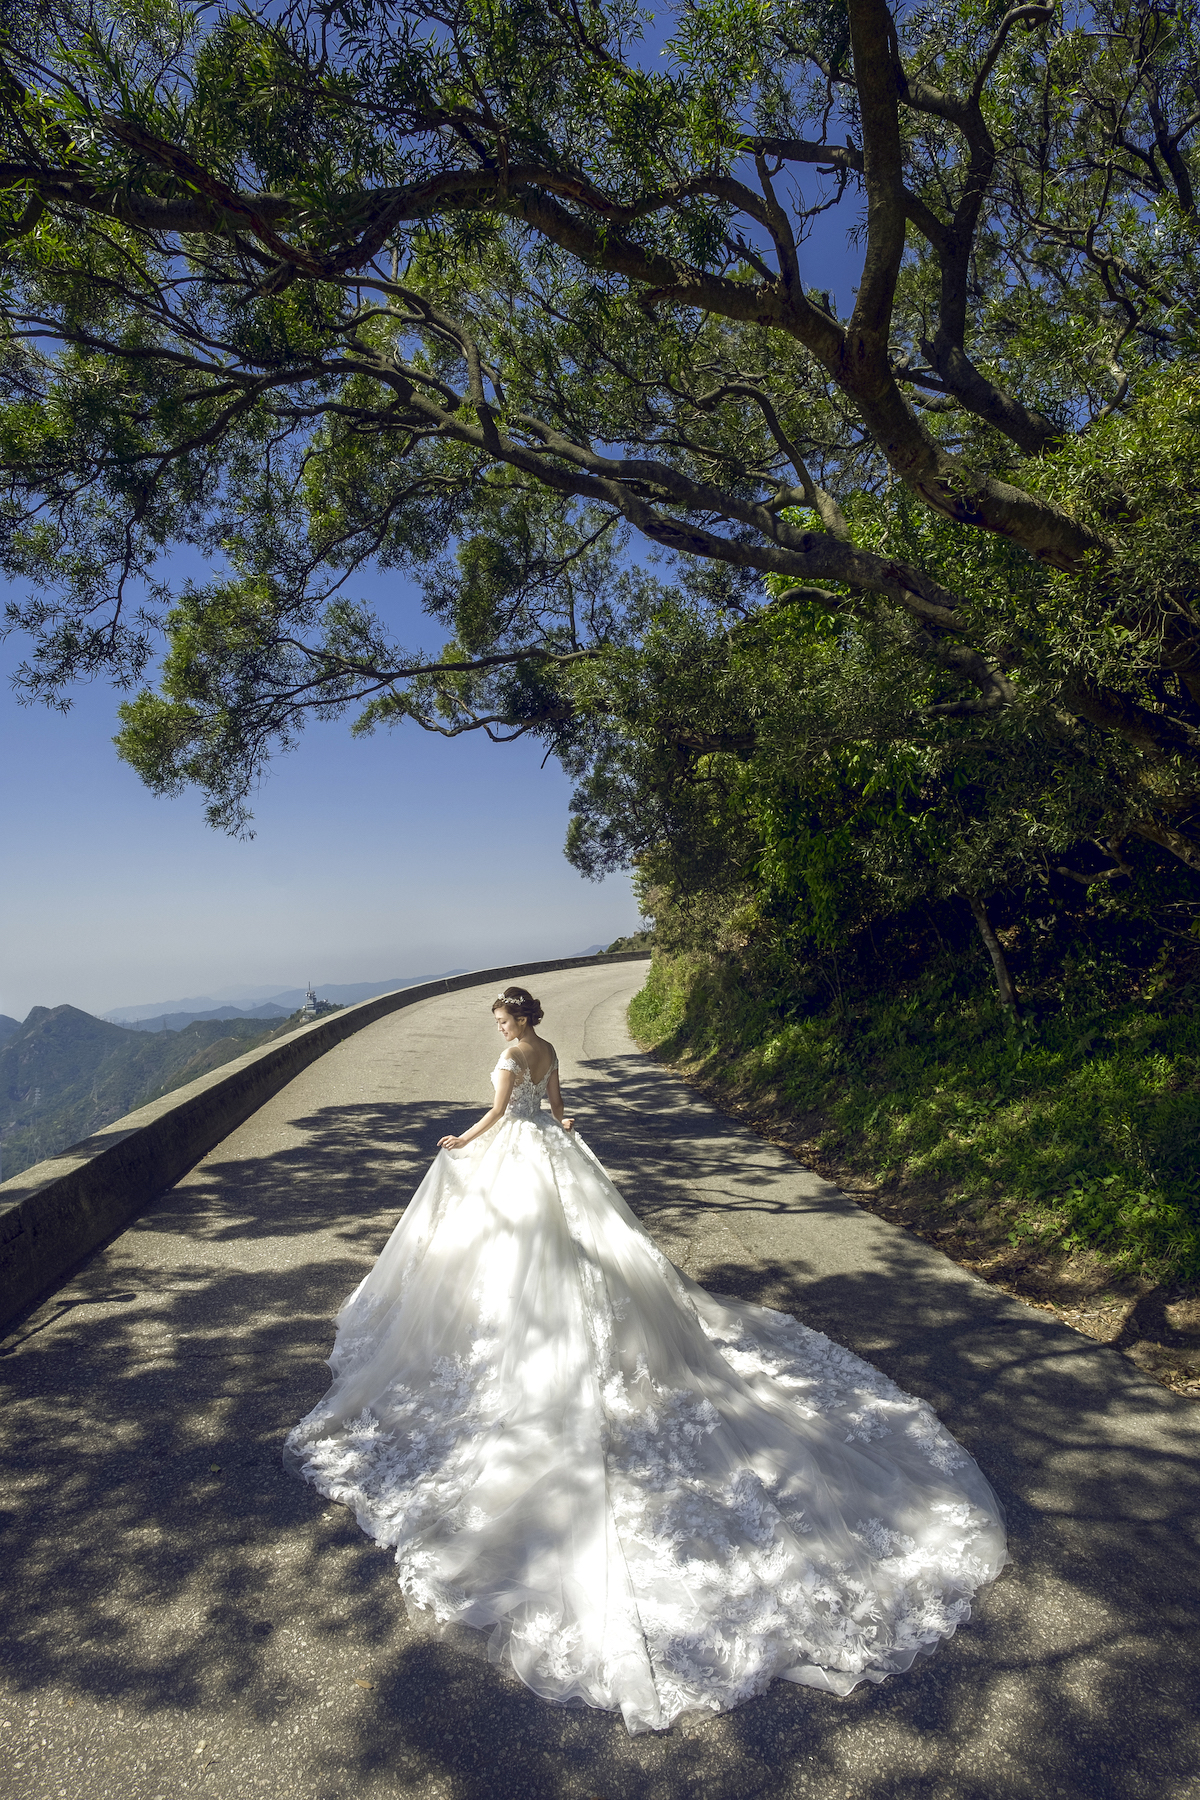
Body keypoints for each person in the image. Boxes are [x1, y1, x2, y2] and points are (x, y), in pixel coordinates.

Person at [285, 985, 1008, 1735]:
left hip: (519, 1166)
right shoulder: (550, 1051)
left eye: (502, 1017)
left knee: (514, 1261)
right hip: (560, 1162)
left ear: (516, 1019)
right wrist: (560, 1125)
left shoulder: (508, 1057)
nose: (499, 1026)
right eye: (500, 1021)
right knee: (589, 1259)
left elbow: (502, 1115)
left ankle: (535, 1346)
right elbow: (557, 1107)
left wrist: (461, 1144)